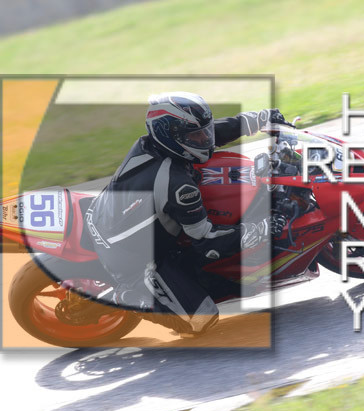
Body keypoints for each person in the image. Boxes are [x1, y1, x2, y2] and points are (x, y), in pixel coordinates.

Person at [86, 92, 289, 335]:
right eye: (196, 135)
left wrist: (262, 118)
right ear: (169, 136)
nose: (205, 139)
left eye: (203, 132)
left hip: (108, 214)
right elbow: (208, 241)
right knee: (201, 319)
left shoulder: (153, 143)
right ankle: (126, 295)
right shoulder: (177, 185)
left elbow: (213, 132)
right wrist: (262, 229)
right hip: (129, 255)